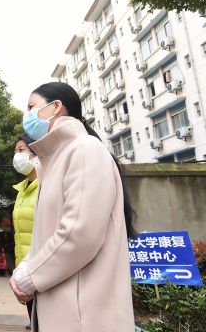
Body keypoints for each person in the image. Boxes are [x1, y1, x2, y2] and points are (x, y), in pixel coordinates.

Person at [9, 82, 136, 332]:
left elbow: (79, 233)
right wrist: (28, 265)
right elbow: (49, 233)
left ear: (56, 106)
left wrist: (31, 276)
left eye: (31, 107)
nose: (27, 115)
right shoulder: (55, 160)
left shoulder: (85, 150)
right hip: (65, 308)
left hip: (85, 315)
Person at [11, 134, 39, 329]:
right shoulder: (22, 190)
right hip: (25, 272)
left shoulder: (48, 185)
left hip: (42, 270)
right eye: (16, 151)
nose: (17, 156)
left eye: (21, 150)